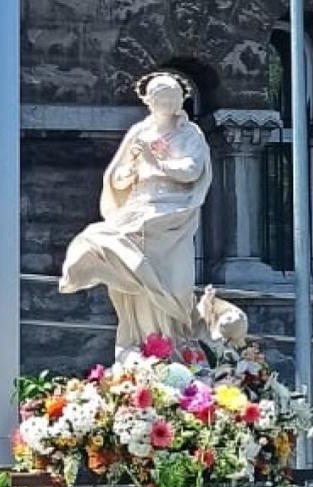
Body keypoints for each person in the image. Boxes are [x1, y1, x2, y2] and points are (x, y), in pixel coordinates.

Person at [60, 71, 212, 357]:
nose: (166, 102)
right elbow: (117, 178)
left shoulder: (190, 134)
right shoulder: (139, 133)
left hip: (173, 213)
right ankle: (145, 348)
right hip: (139, 207)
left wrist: (156, 161)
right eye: (160, 97)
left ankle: (177, 346)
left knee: (176, 286)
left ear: (181, 100)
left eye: (172, 96)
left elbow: (192, 170)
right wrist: (128, 171)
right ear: (149, 101)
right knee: (134, 278)